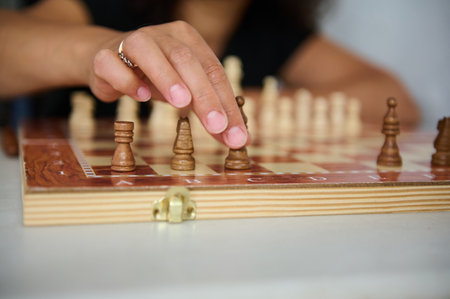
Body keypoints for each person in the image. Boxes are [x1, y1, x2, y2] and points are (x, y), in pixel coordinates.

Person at [0, 0, 420, 150]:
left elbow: (394, 97)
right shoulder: (104, 5)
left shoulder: (272, 28)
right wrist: (95, 50)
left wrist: (245, 103)